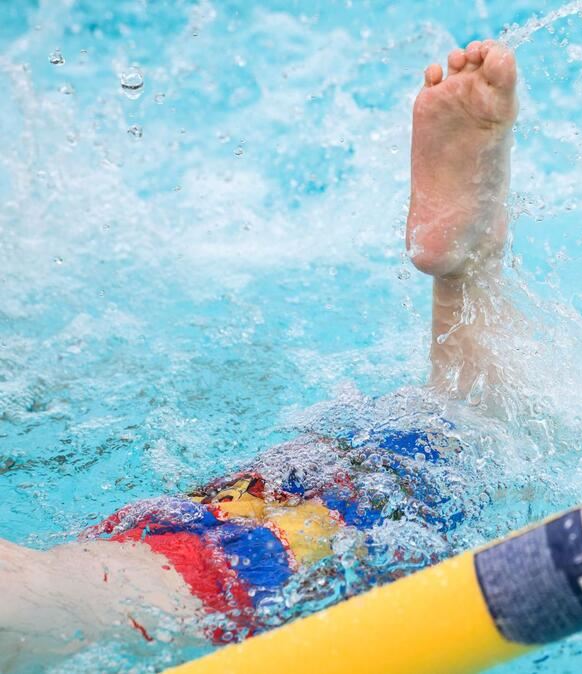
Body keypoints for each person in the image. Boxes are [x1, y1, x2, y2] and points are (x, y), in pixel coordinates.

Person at [0, 39, 519, 670]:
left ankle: (468, 276)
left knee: (459, 449)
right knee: (454, 439)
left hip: (150, 587)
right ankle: (468, 278)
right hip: (133, 561)